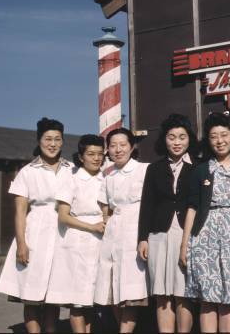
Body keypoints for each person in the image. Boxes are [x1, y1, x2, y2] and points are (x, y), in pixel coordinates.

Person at [180, 112, 230, 334]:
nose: (219, 141)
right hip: (206, 235)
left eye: (224, 135)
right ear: (208, 141)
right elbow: (192, 207)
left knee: (229, 297)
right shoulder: (201, 169)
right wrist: (185, 244)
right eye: (214, 136)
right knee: (208, 296)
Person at [0, 117, 73, 333]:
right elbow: (20, 212)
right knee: (31, 293)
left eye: (58, 139)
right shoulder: (28, 171)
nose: (53, 144)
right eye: (48, 139)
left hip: (63, 233)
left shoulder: (72, 169)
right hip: (35, 233)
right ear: (39, 140)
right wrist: (22, 243)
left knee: (52, 293)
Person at [137, 114, 198, 333]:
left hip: (185, 235)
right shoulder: (154, 169)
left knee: (182, 293)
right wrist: (143, 238)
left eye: (182, 137)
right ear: (164, 140)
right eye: (171, 137)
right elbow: (147, 205)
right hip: (158, 235)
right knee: (162, 294)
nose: (177, 142)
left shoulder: (198, 168)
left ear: (189, 139)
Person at [46, 134, 106, 333]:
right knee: (77, 300)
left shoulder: (105, 179)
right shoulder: (71, 180)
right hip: (77, 241)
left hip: (100, 241)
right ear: (81, 157)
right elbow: (63, 217)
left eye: (99, 154)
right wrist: (92, 227)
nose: (96, 158)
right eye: (91, 154)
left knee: (90, 298)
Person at [93, 128, 149, 333]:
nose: (118, 150)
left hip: (135, 229)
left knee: (131, 289)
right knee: (113, 289)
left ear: (132, 146)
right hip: (113, 233)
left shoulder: (144, 169)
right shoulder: (108, 175)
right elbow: (104, 208)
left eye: (122, 145)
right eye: (113, 145)